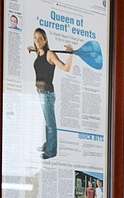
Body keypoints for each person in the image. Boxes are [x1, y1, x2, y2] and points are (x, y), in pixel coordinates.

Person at [27, 28, 73, 160]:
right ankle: (48, 144)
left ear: (46, 39)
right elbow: (40, 61)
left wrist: (71, 54)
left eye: (41, 38)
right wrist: (33, 48)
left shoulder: (50, 54)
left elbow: (66, 68)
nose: (38, 41)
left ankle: (51, 151)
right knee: (47, 122)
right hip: (40, 93)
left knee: (51, 123)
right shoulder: (40, 53)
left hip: (47, 94)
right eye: (35, 38)